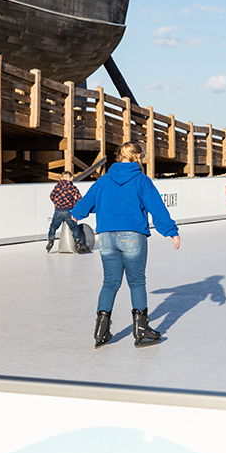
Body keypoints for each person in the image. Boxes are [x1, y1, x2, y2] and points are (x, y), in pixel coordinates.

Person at [72, 141, 181, 348]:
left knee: (110, 282)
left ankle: (101, 331)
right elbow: (157, 208)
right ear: (138, 157)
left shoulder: (104, 181)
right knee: (137, 282)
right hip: (132, 236)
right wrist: (171, 232)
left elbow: (85, 204)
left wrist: (77, 214)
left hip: (107, 237)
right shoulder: (141, 181)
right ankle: (141, 331)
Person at [47, 171, 89, 253]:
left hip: (58, 211)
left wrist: (57, 203)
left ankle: (51, 240)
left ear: (61, 178)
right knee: (74, 228)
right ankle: (77, 243)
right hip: (68, 211)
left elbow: (52, 196)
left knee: (53, 227)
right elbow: (79, 198)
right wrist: (74, 205)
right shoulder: (73, 188)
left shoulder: (57, 186)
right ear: (71, 178)